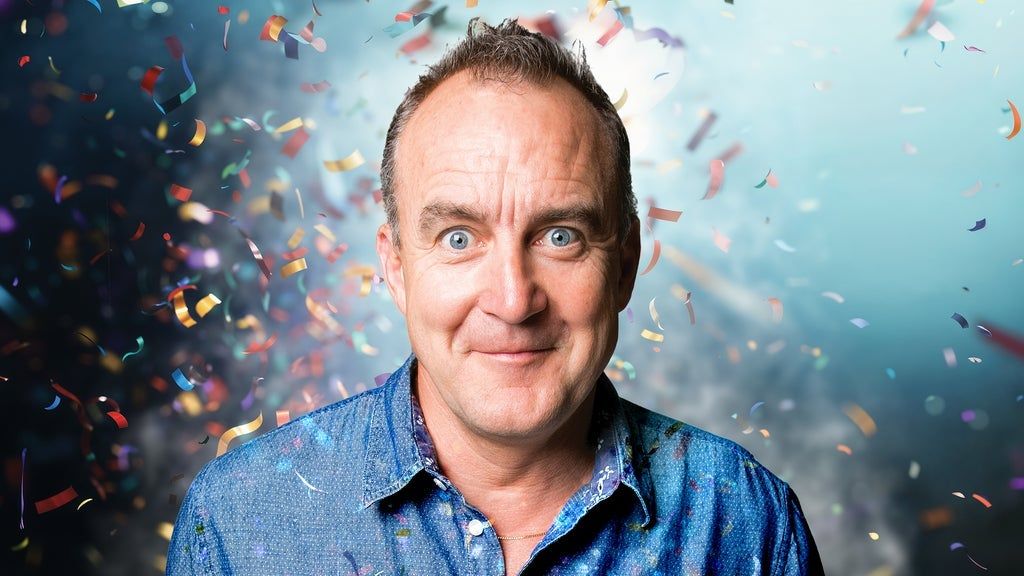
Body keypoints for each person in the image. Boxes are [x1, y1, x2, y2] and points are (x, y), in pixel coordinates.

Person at [167, 18, 825, 576]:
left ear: (624, 265)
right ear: (396, 267)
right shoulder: (238, 521)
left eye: (561, 236)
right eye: (458, 238)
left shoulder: (746, 519)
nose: (513, 301)